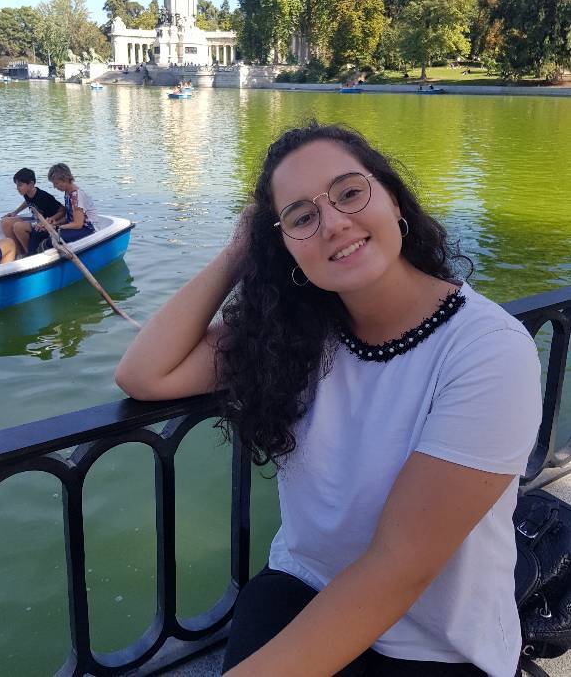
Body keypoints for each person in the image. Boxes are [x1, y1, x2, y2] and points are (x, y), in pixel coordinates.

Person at [115, 121, 541, 677]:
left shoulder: (487, 352)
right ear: (283, 247)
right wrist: (240, 251)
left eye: (349, 192)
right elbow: (145, 374)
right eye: (301, 217)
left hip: (434, 638)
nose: (334, 224)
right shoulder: (295, 333)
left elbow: (398, 566)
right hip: (303, 586)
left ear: (393, 198)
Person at [1, 167, 65, 255]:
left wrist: (49, 220)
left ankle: (30, 255)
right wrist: (15, 212)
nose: (17, 188)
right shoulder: (27, 193)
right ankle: (19, 253)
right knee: (5, 222)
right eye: (16, 185)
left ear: (31, 184)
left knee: (18, 227)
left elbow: (62, 210)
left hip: (47, 225)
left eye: (20, 185)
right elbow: (28, 202)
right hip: (36, 220)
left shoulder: (44, 197)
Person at [39, 163, 97, 247]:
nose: (55, 187)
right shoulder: (67, 193)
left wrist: (57, 227)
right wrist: (53, 225)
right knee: (44, 233)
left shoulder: (76, 196)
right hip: (78, 227)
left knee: (55, 238)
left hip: (88, 229)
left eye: (56, 183)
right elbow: (69, 218)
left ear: (65, 179)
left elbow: (78, 224)